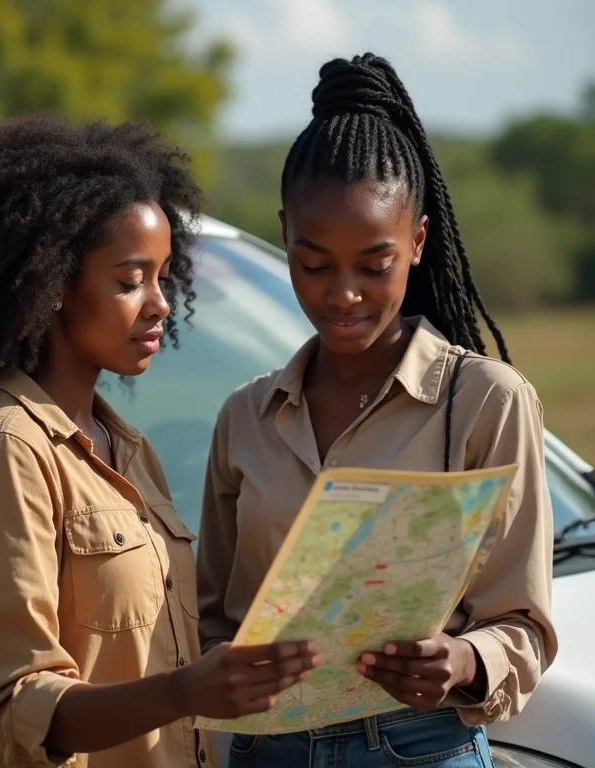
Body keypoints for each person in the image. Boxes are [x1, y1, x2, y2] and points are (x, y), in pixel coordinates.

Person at [0, 115, 320, 768]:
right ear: (51, 285)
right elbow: (18, 705)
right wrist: (186, 691)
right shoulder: (8, 455)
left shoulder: (127, 449)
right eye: (129, 281)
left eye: (162, 277)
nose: (159, 304)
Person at [196, 53, 557, 767]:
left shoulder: (487, 401)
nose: (343, 293)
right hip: (267, 752)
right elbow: (209, 619)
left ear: (418, 242)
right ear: (284, 238)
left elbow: (525, 626)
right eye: (315, 263)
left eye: (374, 263)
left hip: (420, 747)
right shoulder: (244, 417)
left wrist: (459, 660)